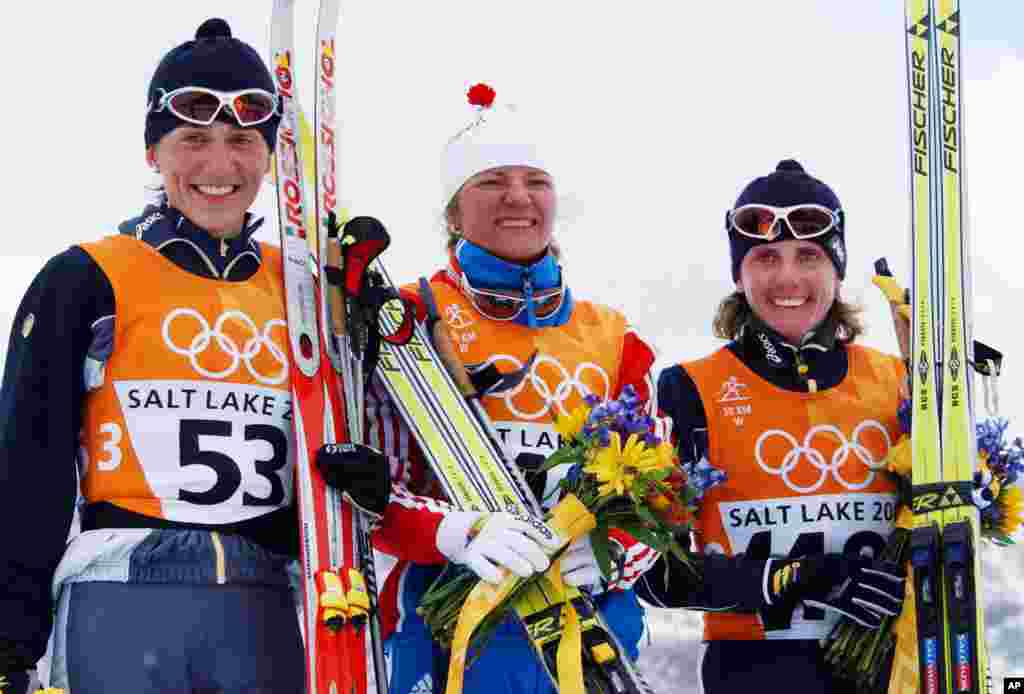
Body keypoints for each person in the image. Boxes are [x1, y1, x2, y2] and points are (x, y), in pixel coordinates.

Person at [0, 19, 308, 693]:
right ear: (153, 152)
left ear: (269, 155)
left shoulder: (303, 291)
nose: (220, 167)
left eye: (242, 141)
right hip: (123, 593)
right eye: (193, 140)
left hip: (267, 604)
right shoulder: (87, 275)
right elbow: (28, 459)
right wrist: (11, 641)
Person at [368, 85, 662, 694]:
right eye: (492, 181)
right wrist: (455, 534)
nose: (517, 198)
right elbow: (373, 493)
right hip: (449, 629)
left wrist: (617, 550)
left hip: (589, 630)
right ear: (453, 211)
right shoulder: (409, 317)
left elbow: (665, 492)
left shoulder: (612, 335)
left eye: (535, 181)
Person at [634, 160, 908, 694]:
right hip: (755, 676)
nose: (787, 278)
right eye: (764, 258)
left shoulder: (898, 380)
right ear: (739, 275)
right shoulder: (689, 389)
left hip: (893, 669)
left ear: (838, 268)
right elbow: (654, 573)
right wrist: (798, 576)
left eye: (809, 256)